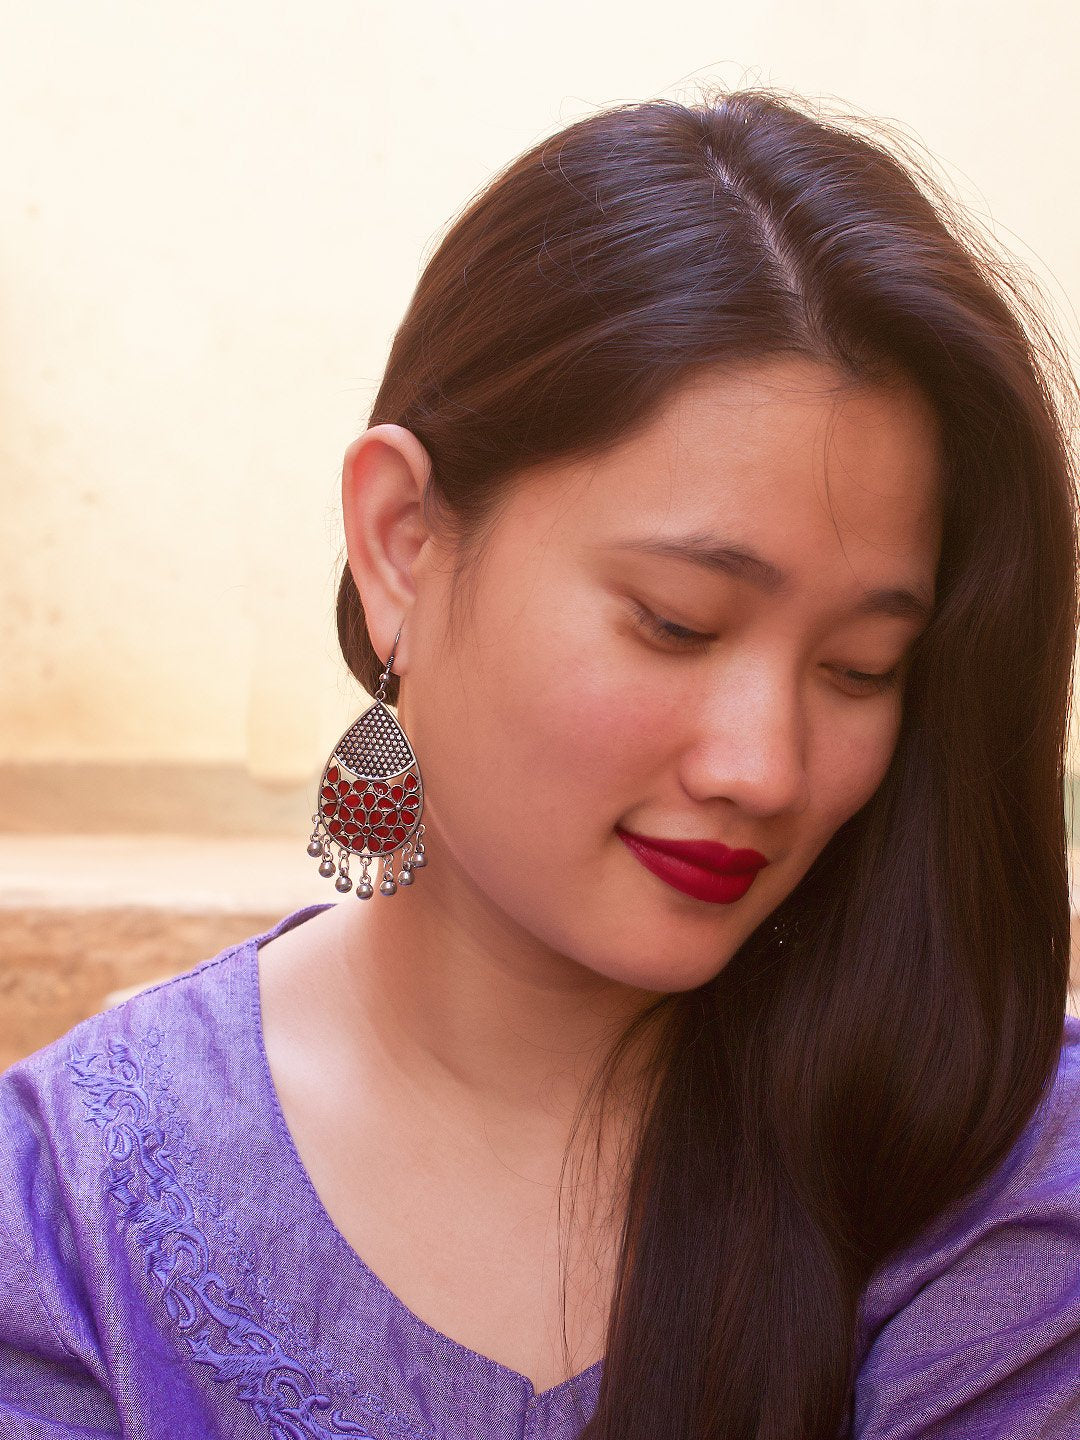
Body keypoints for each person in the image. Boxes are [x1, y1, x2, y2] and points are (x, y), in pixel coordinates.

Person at [1, 85, 1078, 1440]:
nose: (765, 769)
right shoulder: (68, 1216)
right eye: (677, 622)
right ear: (402, 542)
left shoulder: (1000, 1168)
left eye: (861, 668)